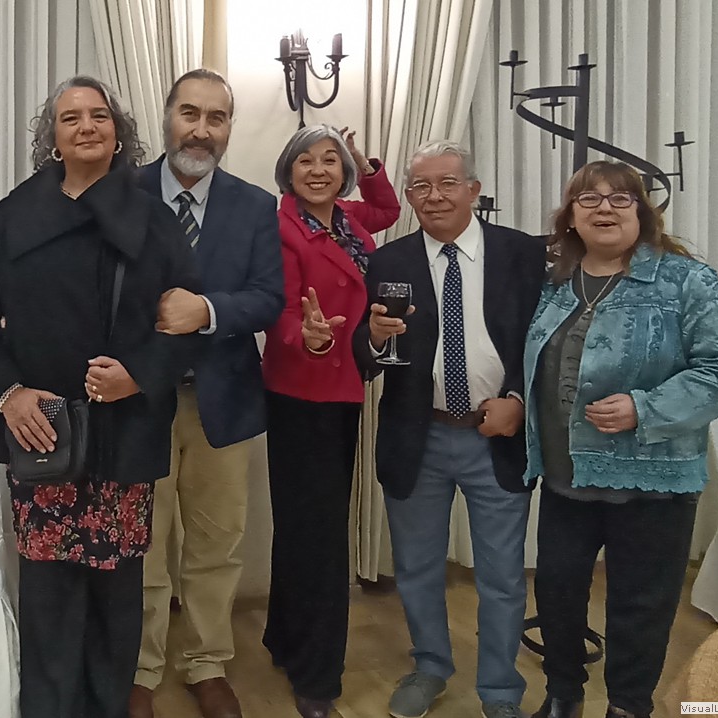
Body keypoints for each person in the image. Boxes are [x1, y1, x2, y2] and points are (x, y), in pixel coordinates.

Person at [0, 75, 203, 718]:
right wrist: (8, 394)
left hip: (126, 428)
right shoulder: (15, 214)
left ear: (118, 135)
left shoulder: (153, 218)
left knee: (117, 593)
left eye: (99, 116)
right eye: (71, 118)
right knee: (49, 590)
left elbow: (183, 324)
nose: (87, 126)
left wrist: (138, 374)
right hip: (44, 432)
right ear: (53, 139)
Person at [522, 161, 718, 718]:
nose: (604, 208)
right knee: (556, 595)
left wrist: (644, 408)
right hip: (564, 477)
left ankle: (628, 706)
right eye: (589, 199)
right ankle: (563, 695)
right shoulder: (552, 283)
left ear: (642, 212)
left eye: (620, 198)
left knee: (640, 607)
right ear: (570, 216)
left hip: (655, 483)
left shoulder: (686, 280)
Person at [354, 140, 546, 718]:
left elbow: (544, 342)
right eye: (421, 186)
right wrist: (374, 338)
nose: (434, 196)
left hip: (497, 435)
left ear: (473, 190)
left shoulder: (520, 253)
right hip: (419, 436)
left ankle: (500, 691)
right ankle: (430, 666)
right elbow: (364, 360)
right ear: (409, 195)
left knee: (502, 576)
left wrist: (518, 401)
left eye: (447, 183)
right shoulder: (388, 262)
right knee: (416, 568)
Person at [130, 69, 284, 718]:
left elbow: (268, 297)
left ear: (228, 129)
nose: (200, 130)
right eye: (189, 113)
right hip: (137, 403)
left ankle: (206, 662)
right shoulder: (123, 192)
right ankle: (139, 668)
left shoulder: (255, 206)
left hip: (222, 402)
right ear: (167, 117)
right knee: (142, 545)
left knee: (217, 544)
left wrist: (209, 311)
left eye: (215, 118)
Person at [261, 123, 400, 718]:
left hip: (344, 387)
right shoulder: (279, 228)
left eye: (329, 161)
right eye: (306, 161)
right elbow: (278, 309)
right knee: (317, 534)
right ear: (288, 171)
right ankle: (317, 675)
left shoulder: (348, 217)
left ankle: (284, 638)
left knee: (306, 526)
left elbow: (388, 209)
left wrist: (366, 162)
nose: (318, 171)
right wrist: (309, 337)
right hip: (302, 390)